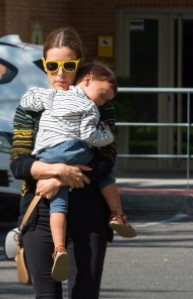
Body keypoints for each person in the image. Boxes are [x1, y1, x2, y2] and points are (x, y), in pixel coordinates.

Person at [10, 27, 115, 299]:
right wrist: (52, 173)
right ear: (44, 64)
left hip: (87, 216)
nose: (59, 73)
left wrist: (66, 178)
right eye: (51, 65)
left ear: (80, 67)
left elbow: (106, 160)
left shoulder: (99, 102)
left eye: (67, 65)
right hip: (38, 213)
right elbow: (18, 162)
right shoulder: (32, 105)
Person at [19, 61, 136, 282]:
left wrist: (33, 97)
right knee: (105, 175)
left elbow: (29, 101)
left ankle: (59, 248)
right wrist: (107, 134)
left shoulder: (54, 95)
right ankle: (117, 214)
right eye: (102, 96)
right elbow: (88, 136)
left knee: (58, 205)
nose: (101, 102)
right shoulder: (89, 107)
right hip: (72, 150)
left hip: (46, 154)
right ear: (88, 79)